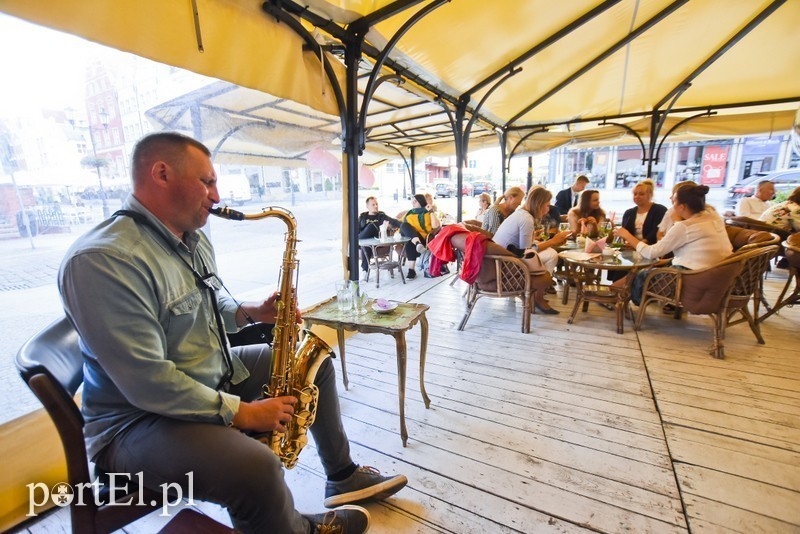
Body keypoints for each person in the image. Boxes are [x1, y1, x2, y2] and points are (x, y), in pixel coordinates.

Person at [58, 132, 406, 534]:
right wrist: (245, 412)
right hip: (136, 423)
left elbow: (199, 311)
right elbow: (149, 383)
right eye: (206, 182)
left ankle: (341, 475)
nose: (216, 194)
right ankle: (295, 527)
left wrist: (253, 313)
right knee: (254, 468)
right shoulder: (103, 261)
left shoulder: (193, 237)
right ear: (161, 174)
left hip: (207, 373)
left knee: (314, 362)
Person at [612, 182, 733, 306]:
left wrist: (626, 235)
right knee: (650, 266)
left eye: (674, 200)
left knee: (639, 274)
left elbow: (651, 252)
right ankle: (613, 293)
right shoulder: (713, 215)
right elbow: (693, 251)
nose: (670, 201)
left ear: (682, 207)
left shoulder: (684, 227)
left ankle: (612, 295)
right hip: (719, 271)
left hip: (692, 276)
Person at [492, 186, 571, 314]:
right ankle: (538, 295)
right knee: (552, 254)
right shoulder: (526, 218)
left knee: (549, 252)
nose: (548, 209)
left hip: (501, 257)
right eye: (546, 205)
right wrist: (553, 241)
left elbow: (523, 246)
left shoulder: (521, 213)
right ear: (538, 204)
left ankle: (536, 292)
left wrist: (536, 237)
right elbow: (527, 252)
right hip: (505, 262)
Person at [400, 193, 441, 279]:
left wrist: (431, 211)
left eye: (415, 201)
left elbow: (436, 226)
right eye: (412, 201)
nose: (413, 203)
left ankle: (411, 270)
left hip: (424, 240)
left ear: (421, 202)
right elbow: (400, 223)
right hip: (415, 241)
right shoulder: (409, 213)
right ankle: (411, 270)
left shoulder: (427, 212)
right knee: (405, 227)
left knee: (409, 238)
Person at [357, 196, 401, 276]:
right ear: (367, 206)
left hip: (376, 241)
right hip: (365, 241)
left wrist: (403, 225)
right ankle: (365, 270)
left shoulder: (381, 216)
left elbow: (393, 221)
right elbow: (356, 231)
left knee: (371, 227)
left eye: (376, 204)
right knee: (366, 244)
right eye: (373, 205)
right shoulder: (362, 217)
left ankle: (364, 270)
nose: (376, 206)